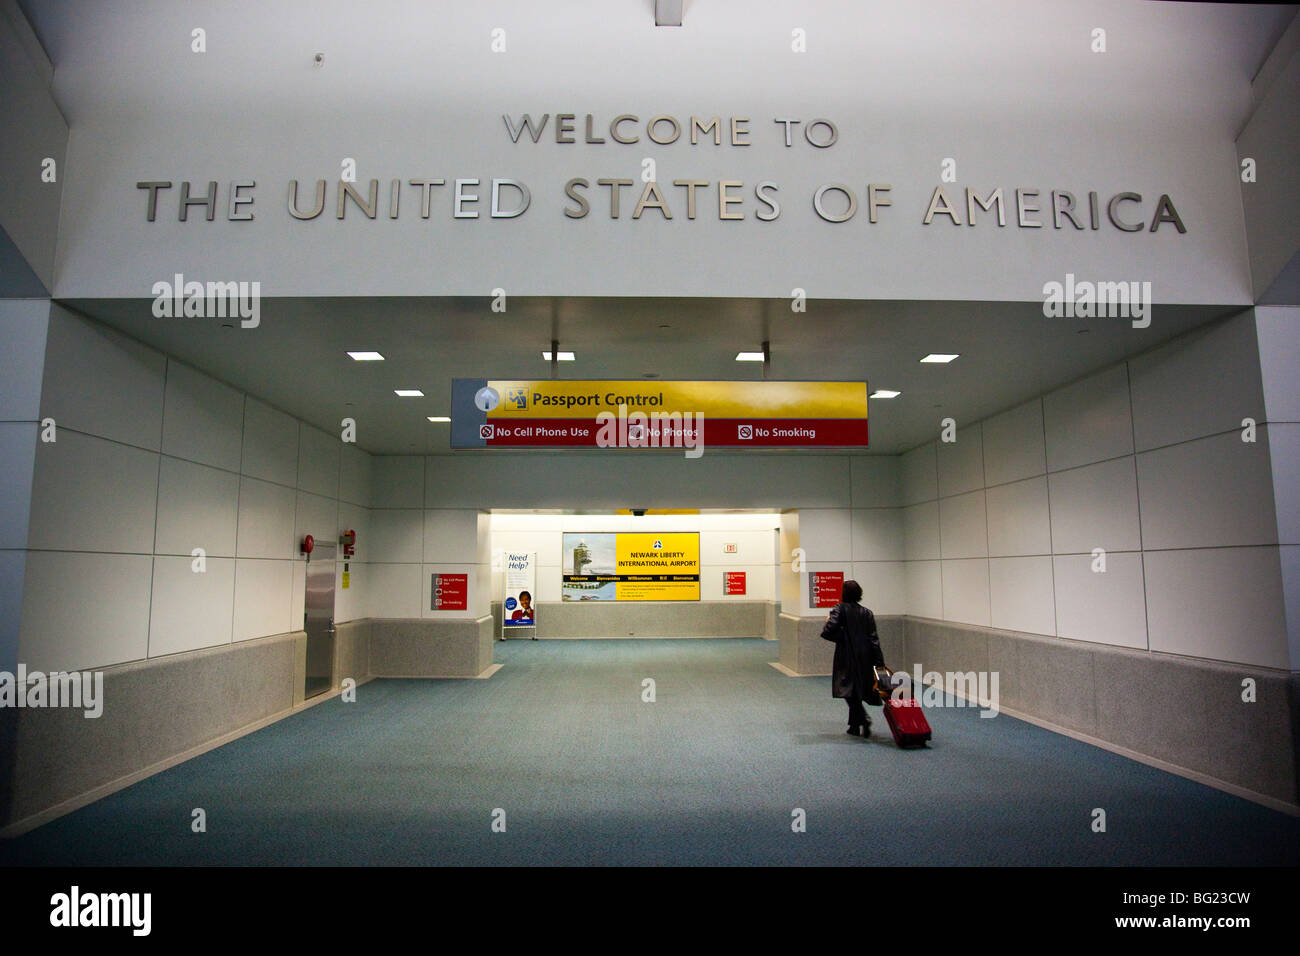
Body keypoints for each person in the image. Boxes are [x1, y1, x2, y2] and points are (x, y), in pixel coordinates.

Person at [819, 579, 886, 737]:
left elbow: (828, 630)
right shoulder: (867, 612)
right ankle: (854, 726)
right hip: (866, 655)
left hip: (847, 655)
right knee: (856, 689)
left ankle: (863, 719)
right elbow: (873, 638)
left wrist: (842, 636)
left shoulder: (839, 609)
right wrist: (879, 661)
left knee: (847, 689)